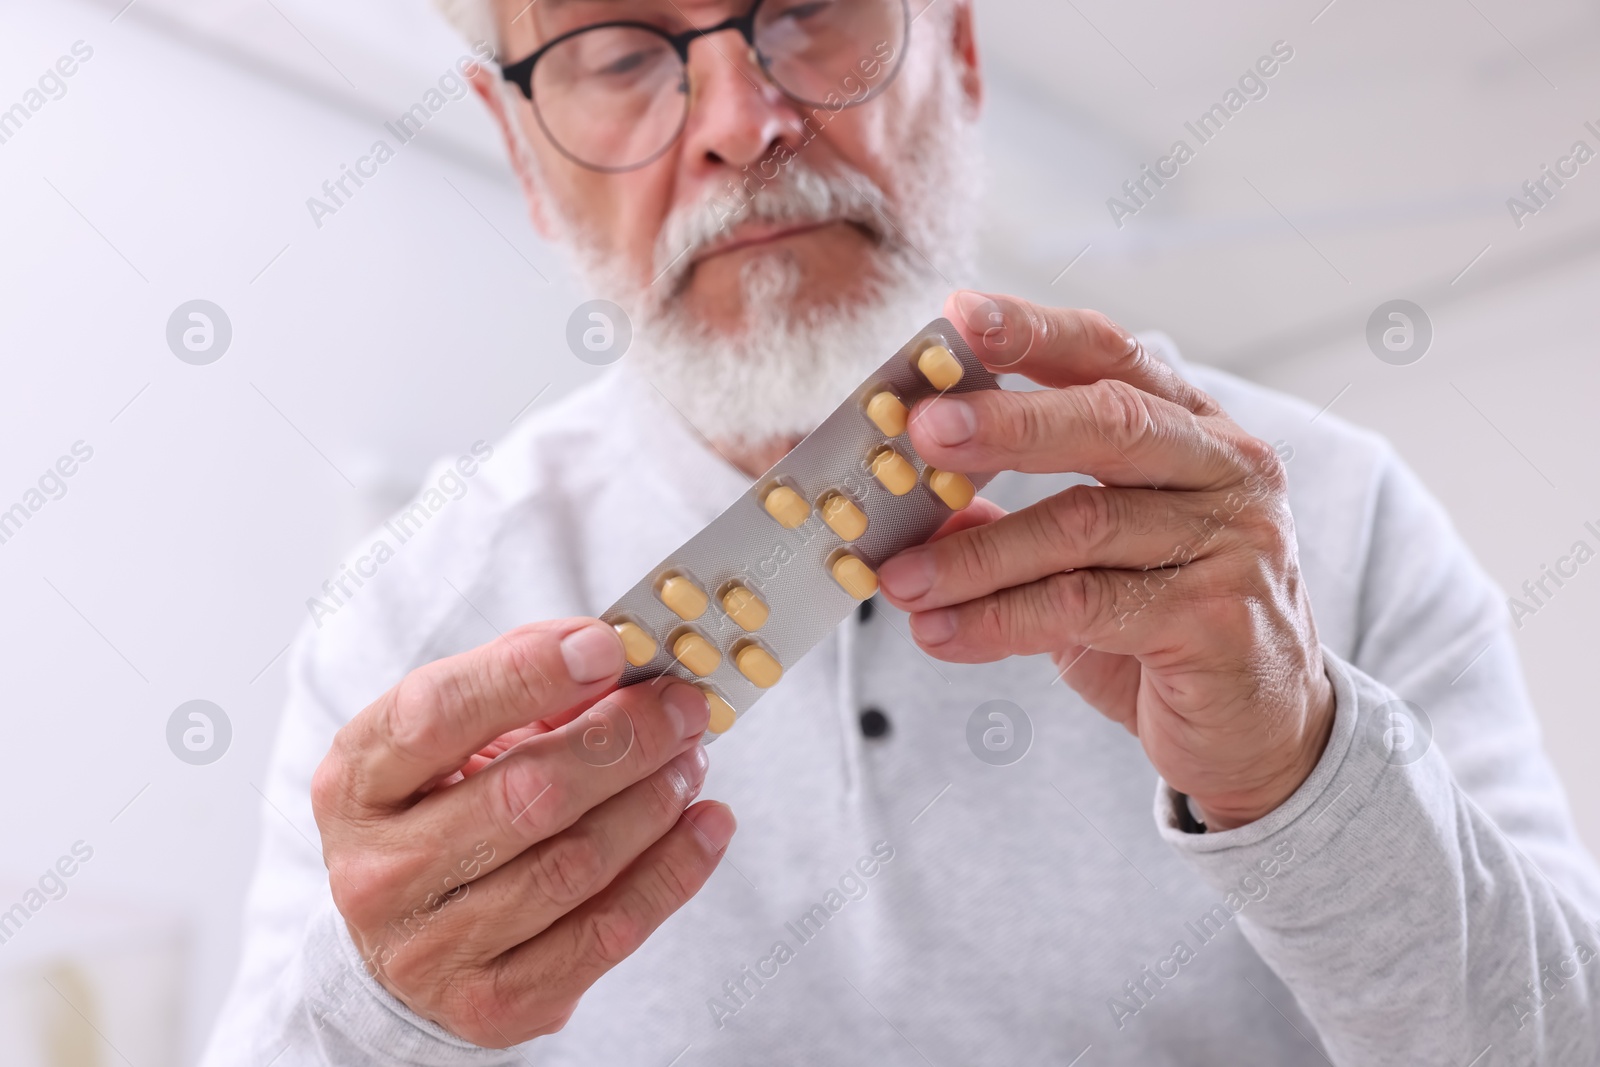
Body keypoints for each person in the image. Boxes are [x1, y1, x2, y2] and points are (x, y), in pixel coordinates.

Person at [202, 1, 1600, 1064]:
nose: (740, 122)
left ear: (963, 51)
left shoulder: (1320, 519)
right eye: (621, 53)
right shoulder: (401, 624)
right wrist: (378, 1015)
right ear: (520, 148)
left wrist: (1303, 776)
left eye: (809, 5)